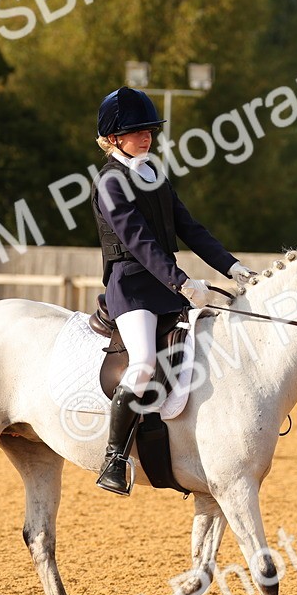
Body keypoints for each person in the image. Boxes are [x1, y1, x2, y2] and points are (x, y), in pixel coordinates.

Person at [92, 87, 256, 495]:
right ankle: (113, 458)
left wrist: (234, 268)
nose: (146, 136)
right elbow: (138, 240)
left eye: (149, 129)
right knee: (145, 361)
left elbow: (190, 228)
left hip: (163, 286)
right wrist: (182, 281)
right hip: (130, 287)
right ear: (113, 138)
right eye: (136, 131)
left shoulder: (153, 174)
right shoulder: (111, 182)